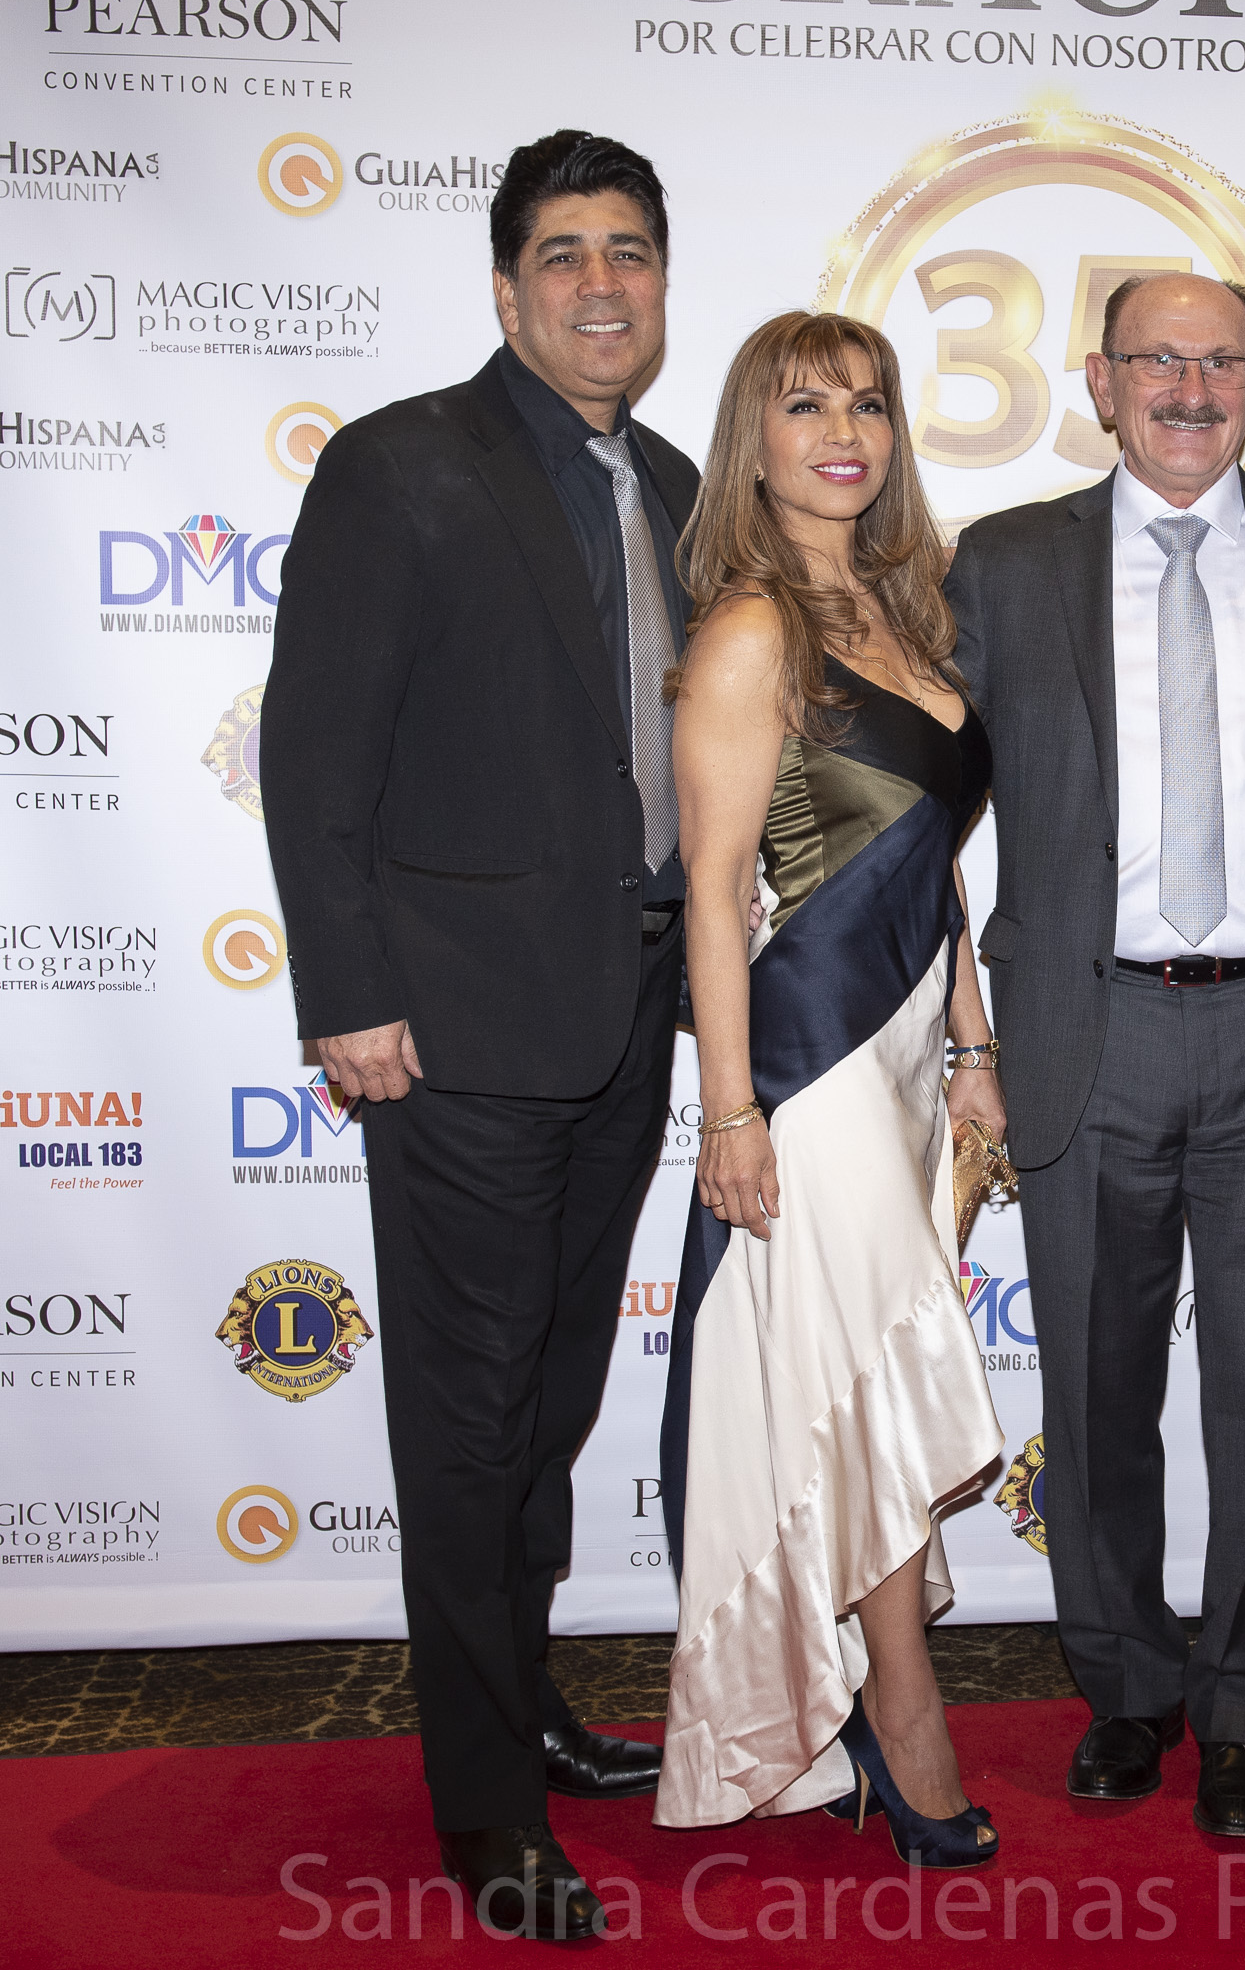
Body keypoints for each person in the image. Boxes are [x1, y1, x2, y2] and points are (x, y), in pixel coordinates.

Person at [261, 130, 698, 1940]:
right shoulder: (403, 464)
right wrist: (348, 994)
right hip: (448, 1033)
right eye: (565, 253)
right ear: (509, 289)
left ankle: (522, 1703)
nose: (603, 284)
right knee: (468, 1418)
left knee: (553, 1402)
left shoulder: (671, 480)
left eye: (630, 252)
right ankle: (485, 1803)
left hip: (627, 1017)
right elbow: (314, 753)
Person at [943, 272, 1245, 1840]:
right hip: (1088, 1029)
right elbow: (921, 810)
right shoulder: (1004, 563)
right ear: (1101, 380)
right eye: (1160, 358)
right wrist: (942, 1029)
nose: (1192, 388)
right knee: (1096, 1389)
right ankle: (1126, 1689)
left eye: (1224, 361)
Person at [653, 312, 1005, 1868]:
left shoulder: (904, 613)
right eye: (806, 406)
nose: (844, 432)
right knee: (860, 1375)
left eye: (867, 403)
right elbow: (714, 886)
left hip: (913, 1051)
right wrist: (730, 1110)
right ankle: (904, 1713)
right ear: (757, 438)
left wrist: (975, 1044)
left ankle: (868, 1683)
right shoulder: (752, 631)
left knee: (866, 1372)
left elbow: (937, 866)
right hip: (813, 1063)